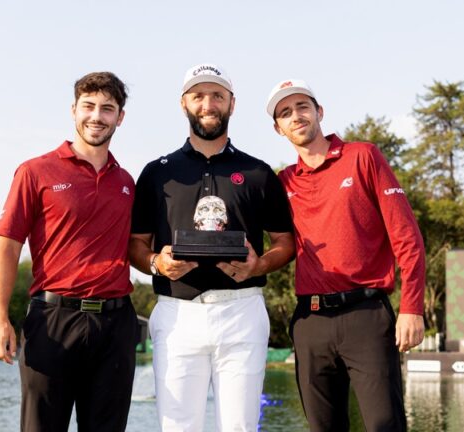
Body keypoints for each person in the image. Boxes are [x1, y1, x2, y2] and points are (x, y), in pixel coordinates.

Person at [129, 63, 295, 431]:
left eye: (217, 96)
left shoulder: (257, 171)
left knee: (239, 427)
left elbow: (285, 243)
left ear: (232, 104)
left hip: (242, 312)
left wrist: (259, 265)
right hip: (176, 313)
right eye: (199, 95)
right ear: (183, 103)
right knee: (178, 426)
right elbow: (135, 245)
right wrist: (157, 262)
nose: (208, 104)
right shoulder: (157, 172)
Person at [267, 79, 426, 432]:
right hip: (310, 323)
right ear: (278, 128)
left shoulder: (363, 156)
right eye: (285, 113)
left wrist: (412, 307)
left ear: (319, 112)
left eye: (302, 107)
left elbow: (407, 238)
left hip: (366, 317)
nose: (296, 116)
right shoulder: (283, 182)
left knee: (385, 425)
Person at [0, 72, 138, 432]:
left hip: (116, 325)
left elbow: (139, 248)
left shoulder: (127, 182)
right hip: (53, 319)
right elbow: (7, 246)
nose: (96, 116)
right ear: (73, 111)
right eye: (88, 106)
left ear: (120, 117)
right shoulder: (35, 171)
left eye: (107, 108)